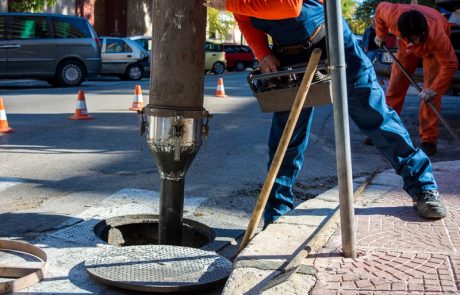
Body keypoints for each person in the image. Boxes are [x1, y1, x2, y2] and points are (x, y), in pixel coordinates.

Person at [203, 0, 447, 223]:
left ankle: (422, 186)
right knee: (286, 137)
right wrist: (263, 53)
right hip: (290, 54)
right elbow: (243, 16)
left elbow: (290, 6)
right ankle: (277, 212)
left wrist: (227, 3)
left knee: (376, 117)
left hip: (333, 40)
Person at [374, 2, 458, 156]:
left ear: (423, 32)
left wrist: (434, 89)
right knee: (394, 88)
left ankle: (429, 140)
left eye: (417, 38)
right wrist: (381, 34)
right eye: (411, 38)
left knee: (429, 97)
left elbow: (450, 63)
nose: (416, 42)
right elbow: (379, 9)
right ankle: (384, 131)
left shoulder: (437, 35)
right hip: (405, 48)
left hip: (431, 51)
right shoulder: (392, 14)